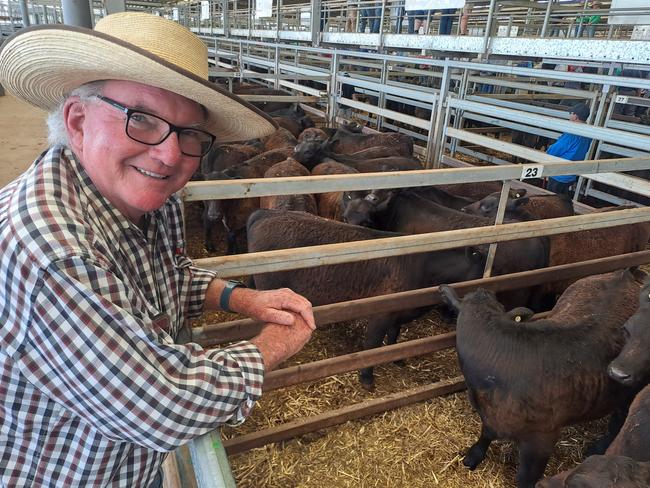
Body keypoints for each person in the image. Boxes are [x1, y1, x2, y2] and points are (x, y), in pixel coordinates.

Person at [0, 12, 316, 487]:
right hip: (65, 474)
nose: (169, 154)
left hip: (125, 465)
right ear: (78, 120)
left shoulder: (149, 196)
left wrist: (245, 299)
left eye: (189, 133)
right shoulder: (49, 250)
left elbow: (167, 274)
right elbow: (161, 404)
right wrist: (275, 342)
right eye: (141, 119)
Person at [546, 103, 593, 196]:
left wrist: (547, 152)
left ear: (575, 116)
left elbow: (555, 150)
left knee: (552, 200)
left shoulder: (572, 133)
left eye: (571, 113)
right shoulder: (589, 132)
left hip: (558, 174)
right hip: (571, 174)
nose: (569, 116)